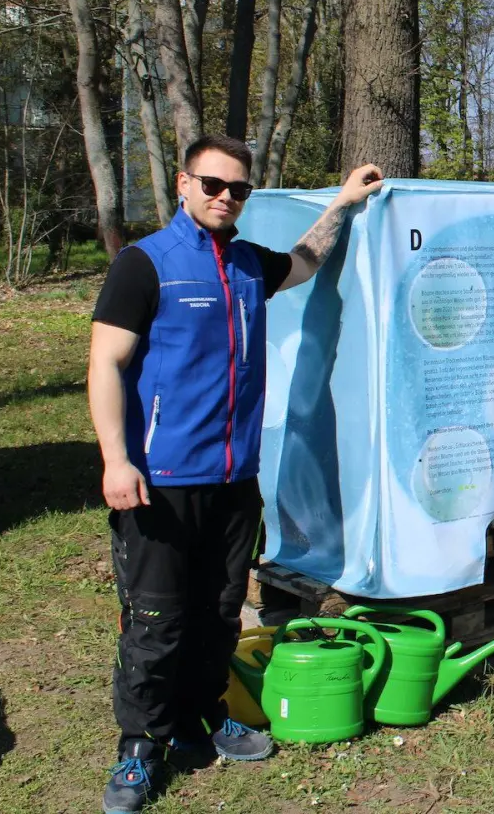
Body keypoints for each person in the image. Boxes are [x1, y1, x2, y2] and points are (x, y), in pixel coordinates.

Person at [87, 135, 383, 813]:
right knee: (156, 620)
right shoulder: (145, 265)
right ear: (183, 185)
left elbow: (305, 262)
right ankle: (139, 749)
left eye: (238, 190)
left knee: (219, 612)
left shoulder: (247, 265)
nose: (226, 198)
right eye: (213, 185)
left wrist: (342, 201)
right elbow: (105, 363)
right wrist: (115, 457)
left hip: (233, 481)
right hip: (159, 482)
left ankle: (203, 717)